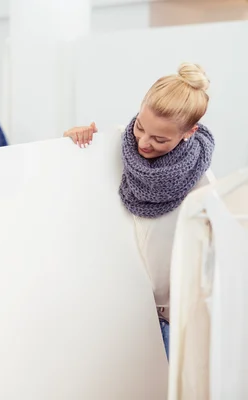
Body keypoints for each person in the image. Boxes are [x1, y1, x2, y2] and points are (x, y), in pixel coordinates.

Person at [64, 62, 215, 360]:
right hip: (115, 309)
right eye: (141, 128)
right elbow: (68, 184)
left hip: (174, 319)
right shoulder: (114, 147)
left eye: (159, 139)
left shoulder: (202, 185)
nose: (143, 142)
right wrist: (73, 140)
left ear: (189, 132)